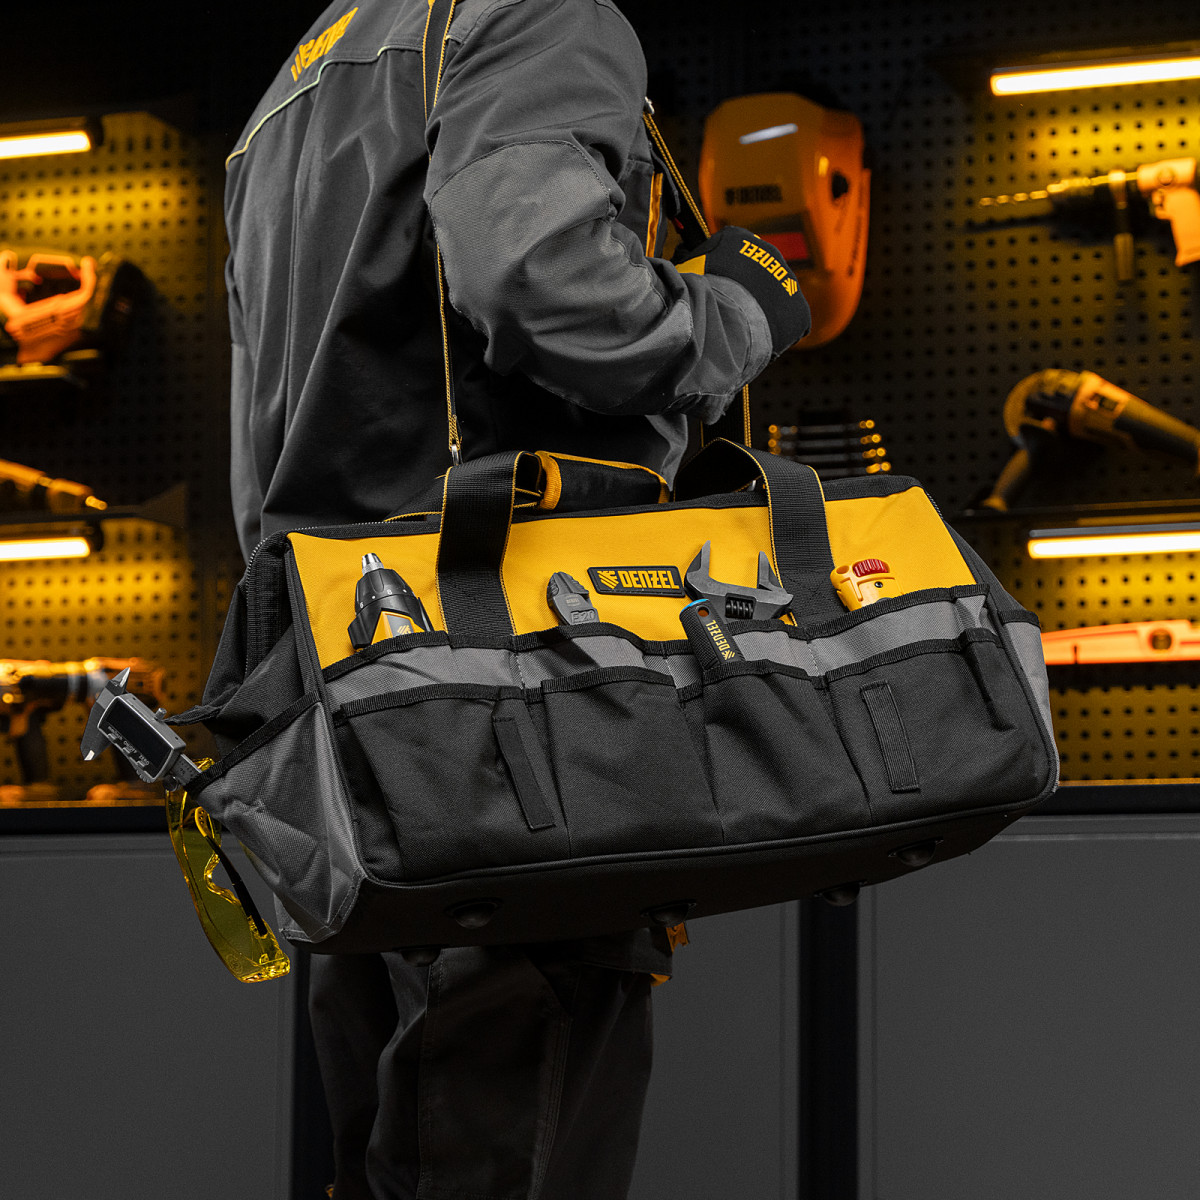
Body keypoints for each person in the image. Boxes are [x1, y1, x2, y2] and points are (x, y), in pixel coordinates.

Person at [222, 1, 810, 1196]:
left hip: (347, 685)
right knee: (512, 1128)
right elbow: (543, 282)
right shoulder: (543, 15)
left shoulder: (303, 74)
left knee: (399, 1143)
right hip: (512, 698)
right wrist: (734, 312)